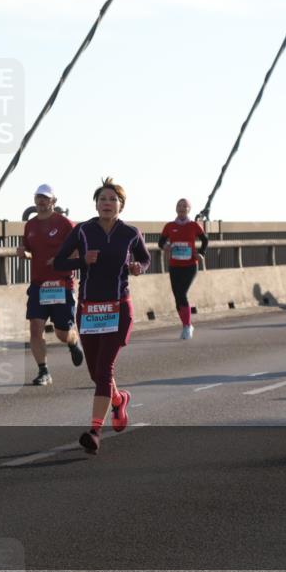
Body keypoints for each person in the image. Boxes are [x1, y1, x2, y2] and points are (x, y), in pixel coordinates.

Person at [54, 178, 150, 455]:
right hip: (88, 308)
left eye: (112, 199)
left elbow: (145, 259)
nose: (106, 204)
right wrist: (82, 261)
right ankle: (119, 400)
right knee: (97, 373)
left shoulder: (131, 233)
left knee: (105, 369)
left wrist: (137, 268)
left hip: (118, 308)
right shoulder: (83, 231)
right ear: (95, 204)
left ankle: (94, 431)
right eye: (102, 199)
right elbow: (60, 262)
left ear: (121, 205)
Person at [16, 184, 84, 386]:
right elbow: (29, 251)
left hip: (61, 285)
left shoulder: (65, 224)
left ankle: (72, 341)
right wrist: (23, 254)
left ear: (53, 201)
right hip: (39, 285)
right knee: (35, 328)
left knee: (61, 333)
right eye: (38, 197)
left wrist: (59, 260)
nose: (41, 201)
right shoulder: (31, 225)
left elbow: (79, 250)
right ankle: (43, 371)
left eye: (45, 198)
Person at [158, 198, 208, 340]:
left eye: (184, 206)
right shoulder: (169, 226)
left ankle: (187, 327)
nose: (181, 208)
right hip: (174, 266)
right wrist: (165, 246)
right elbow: (160, 241)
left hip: (190, 266)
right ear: (176, 209)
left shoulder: (194, 225)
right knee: (177, 298)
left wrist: (201, 253)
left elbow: (205, 240)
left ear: (189, 209)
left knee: (182, 293)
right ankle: (186, 324)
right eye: (179, 206)